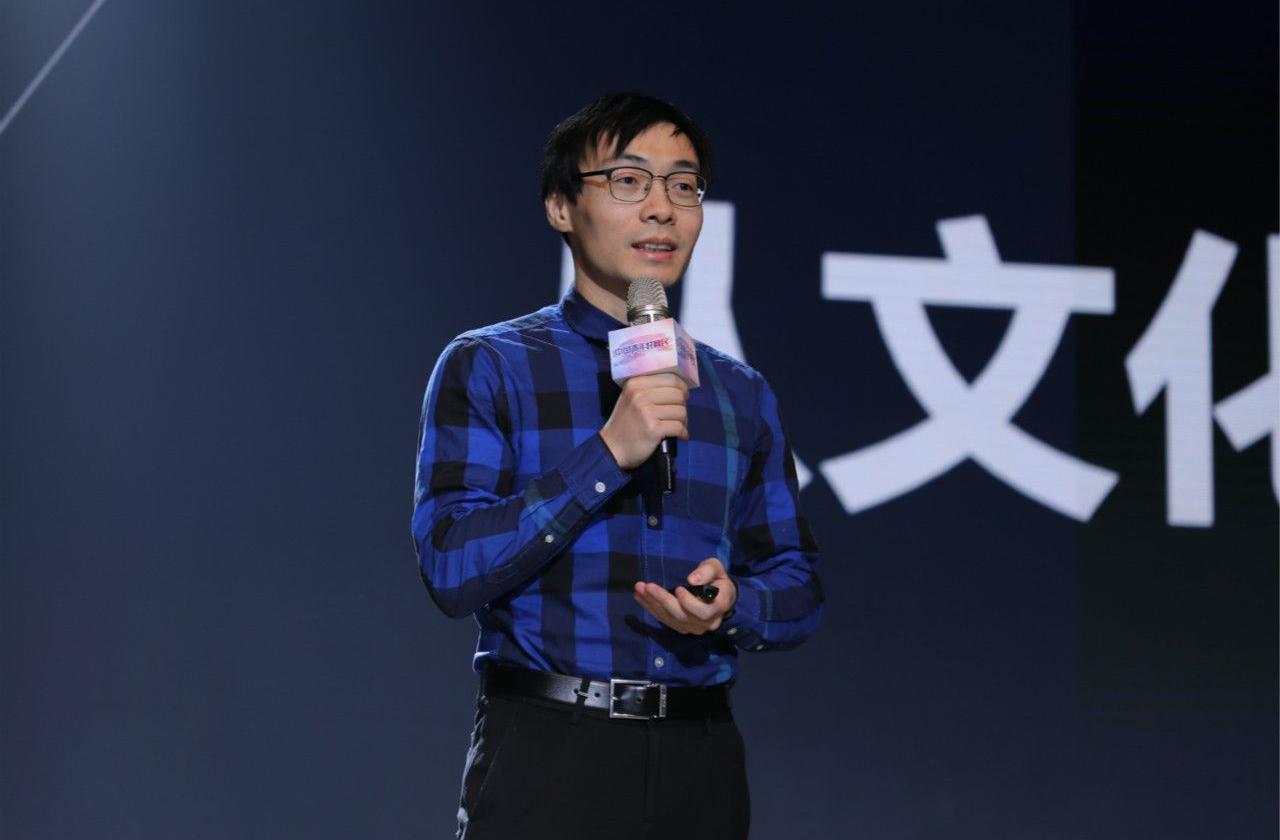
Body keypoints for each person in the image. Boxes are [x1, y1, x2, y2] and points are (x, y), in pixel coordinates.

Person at [412, 92, 823, 840]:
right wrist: (607, 454)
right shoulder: (492, 365)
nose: (662, 208)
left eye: (684, 185)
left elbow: (798, 585)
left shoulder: (739, 392)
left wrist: (733, 603)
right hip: (549, 747)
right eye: (629, 181)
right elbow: (450, 565)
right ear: (560, 206)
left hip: (700, 755)